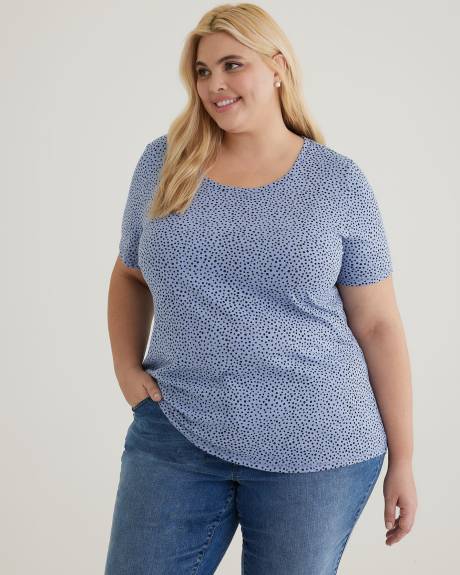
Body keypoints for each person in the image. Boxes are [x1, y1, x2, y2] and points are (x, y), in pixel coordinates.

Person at [104, 3, 417, 574]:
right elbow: (130, 273)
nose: (215, 85)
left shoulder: (337, 182)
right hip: (176, 429)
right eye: (203, 71)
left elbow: (377, 325)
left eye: (232, 65)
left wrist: (404, 459)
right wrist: (127, 370)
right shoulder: (164, 164)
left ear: (277, 67)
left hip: (317, 444)